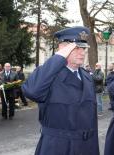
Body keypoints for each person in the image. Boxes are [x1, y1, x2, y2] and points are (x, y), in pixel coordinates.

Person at [22, 26, 99, 155]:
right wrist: (59, 57)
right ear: (62, 49)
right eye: (76, 48)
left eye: (84, 48)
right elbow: (32, 91)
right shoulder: (49, 75)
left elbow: (91, 121)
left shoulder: (87, 76)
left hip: (86, 147)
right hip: (57, 147)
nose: (82, 52)